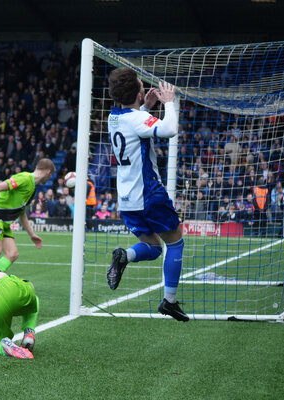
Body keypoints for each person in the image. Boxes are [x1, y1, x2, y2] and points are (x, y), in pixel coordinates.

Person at [105, 68, 188, 322]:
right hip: (149, 193)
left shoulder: (112, 118)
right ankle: (169, 302)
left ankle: (125, 256)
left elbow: (133, 122)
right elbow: (169, 129)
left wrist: (145, 107)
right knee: (175, 243)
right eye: (142, 86)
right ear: (139, 93)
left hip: (127, 199)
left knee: (153, 248)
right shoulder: (137, 119)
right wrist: (169, 102)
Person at [0, 158, 55, 272]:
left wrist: (32, 234)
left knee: (12, 254)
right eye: (51, 175)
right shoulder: (25, 178)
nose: (50, 178)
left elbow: (21, 213)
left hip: (4, 222)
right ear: (48, 172)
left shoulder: (33, 189)